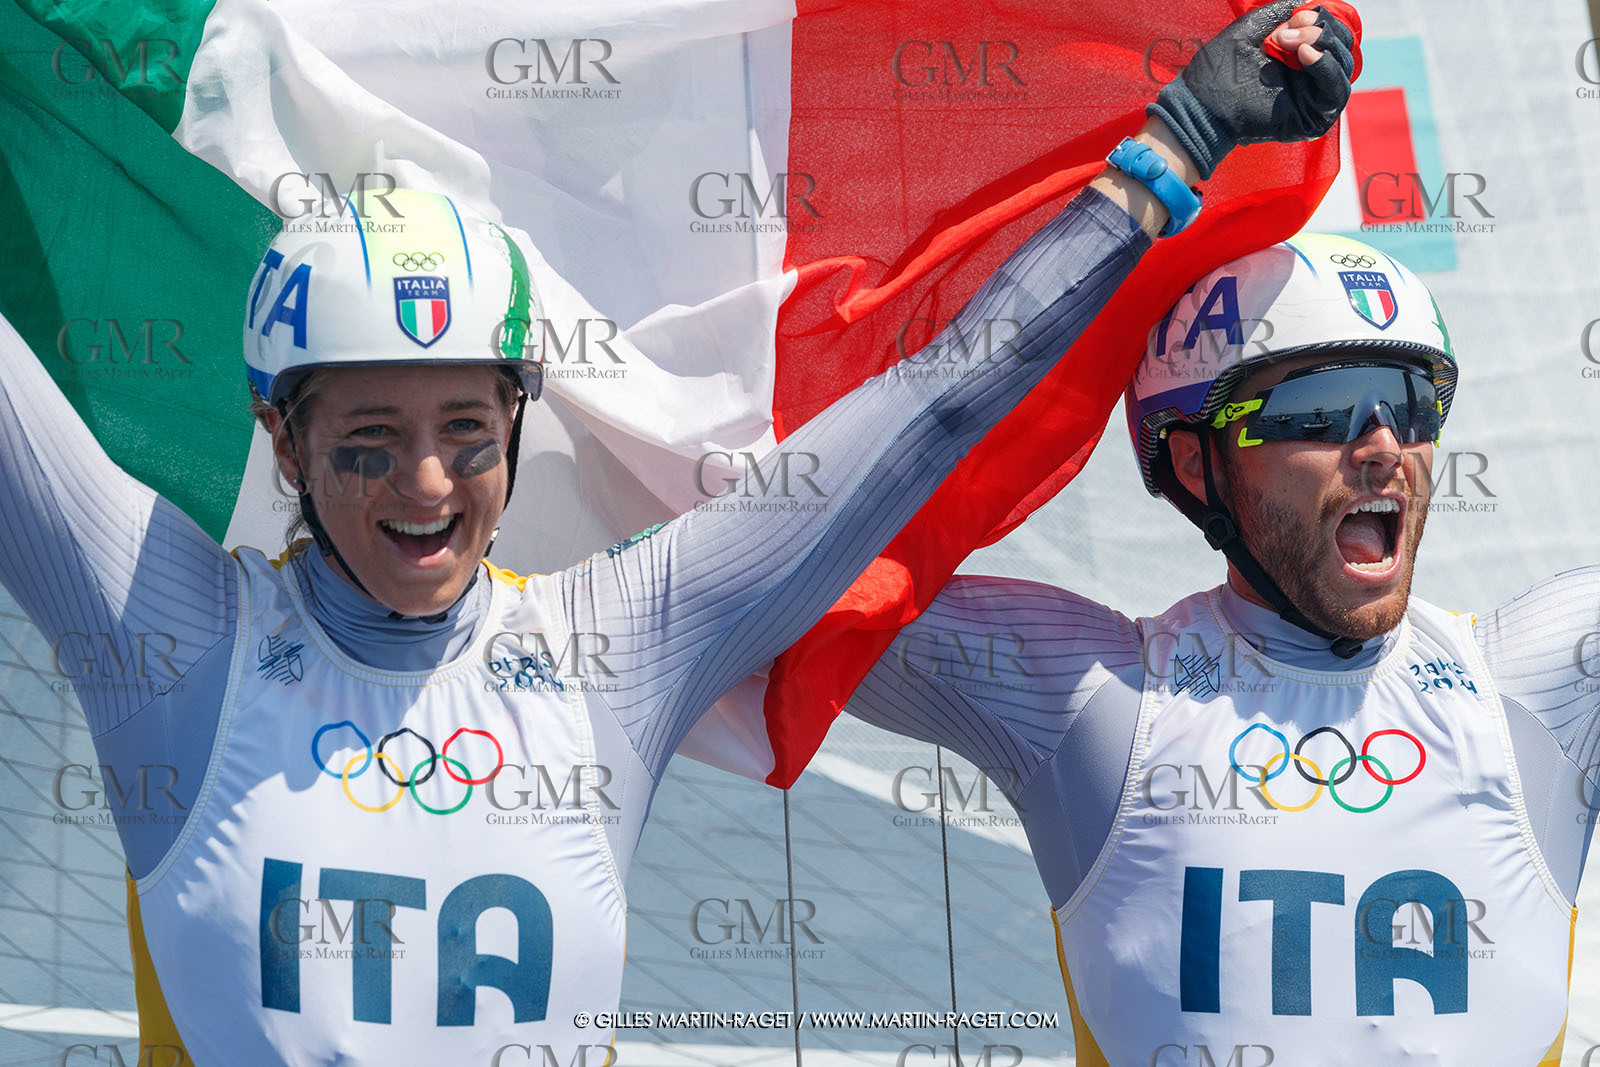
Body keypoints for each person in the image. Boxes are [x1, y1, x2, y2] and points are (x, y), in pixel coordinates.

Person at [0, 5, 1353, 1062]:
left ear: (522, 419)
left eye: (468, 428)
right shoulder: (171, 631)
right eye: (365, 440)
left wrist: (1171, 147)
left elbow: (933, 407)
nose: (425, 483)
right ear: (283, 442)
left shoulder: (608, 651)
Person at [847, 228, 1594, 1063]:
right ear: (1199, 467)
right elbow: (758, 575)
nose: (1387, 447)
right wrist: (1149, 179)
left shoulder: (1541, 684)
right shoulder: (1090, 696)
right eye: (1324, 405)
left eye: (1413, 403)